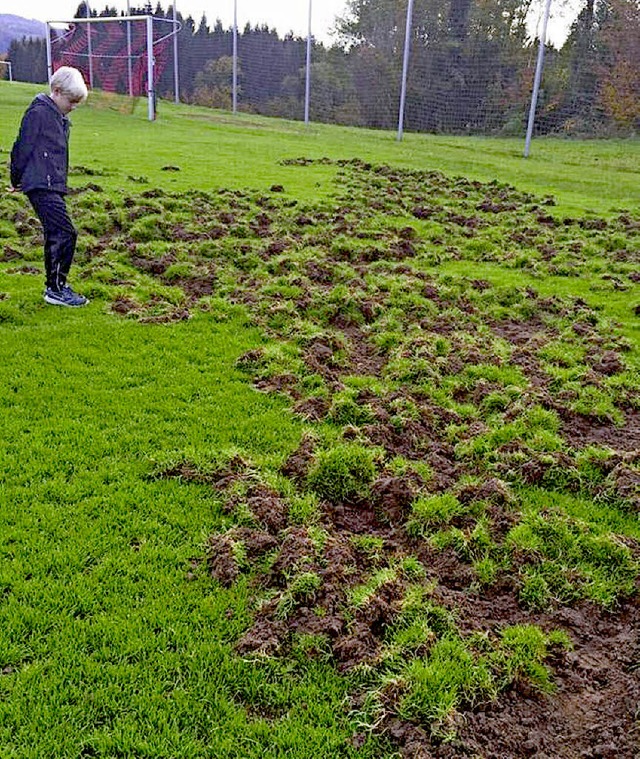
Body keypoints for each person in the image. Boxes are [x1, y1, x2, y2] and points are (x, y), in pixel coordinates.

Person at [10, 66, 89, 307]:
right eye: (71, 100)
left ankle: (56, 286)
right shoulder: (39, 113)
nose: (73, 106)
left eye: (77, 102)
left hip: (52, 184)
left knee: (57, 233)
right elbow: (22, 146)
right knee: (65, 232)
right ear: (56, 91)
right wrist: (17, 178)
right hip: (39, 184)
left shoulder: (59, 119)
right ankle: (55, 289)